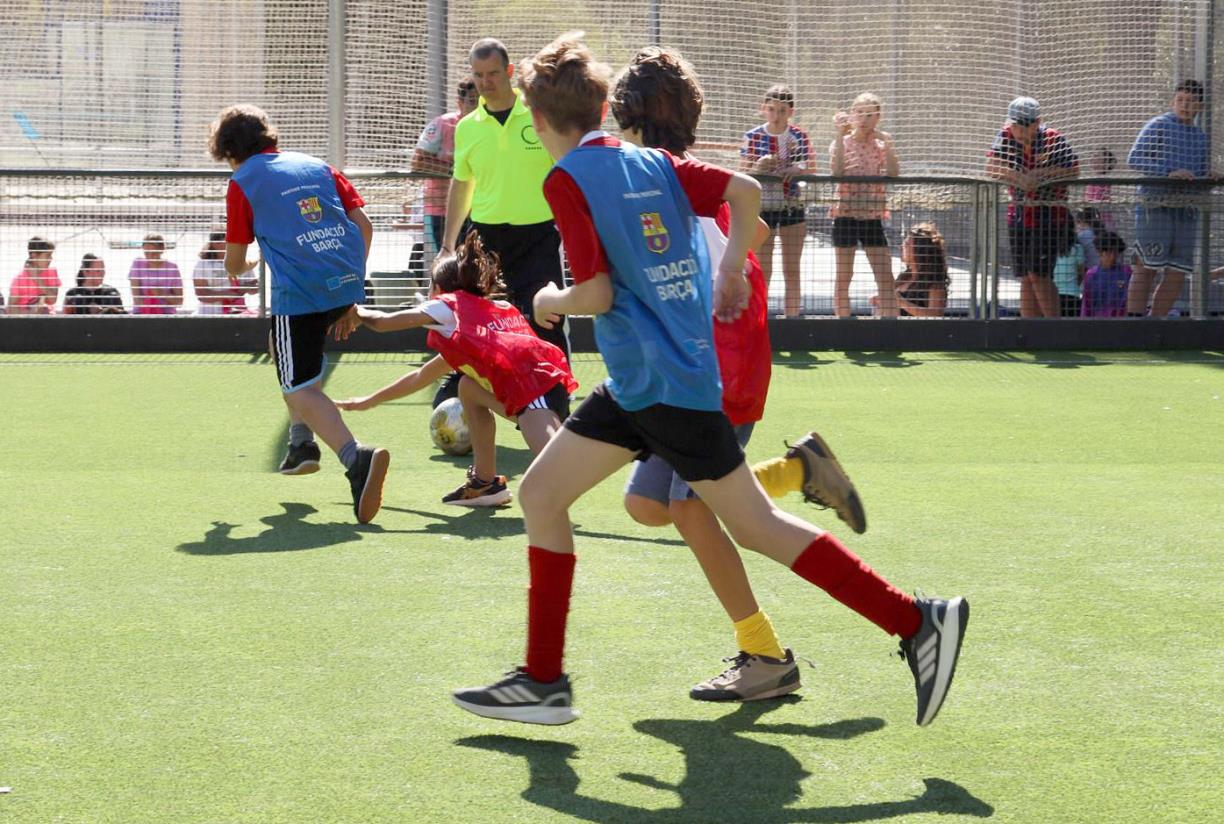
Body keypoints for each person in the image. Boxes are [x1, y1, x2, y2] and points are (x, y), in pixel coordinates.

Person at [451, 33, 968, 728]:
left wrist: (548, 301)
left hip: (664, 390)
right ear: (602, 108)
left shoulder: (565, 179)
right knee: (543, 493)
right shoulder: (655, 162)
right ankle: (542, 679)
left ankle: (914, 620)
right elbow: (747, 190)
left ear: (540, 122)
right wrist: (728, 270)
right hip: (644, 385)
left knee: (752, 524)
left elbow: (598, 293)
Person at [610, 47, 866, 702]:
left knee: (688, 507)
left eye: (619, 122)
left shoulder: (672, 189)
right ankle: (798, 473)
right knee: (649, 504)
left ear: (635, 122)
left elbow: (714, 270)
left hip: (713, 376)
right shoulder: (688, 184)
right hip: (709, 369)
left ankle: (763, 653)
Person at [209, 103, 390, 523]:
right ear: (270, 137)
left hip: (299, 297)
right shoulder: (318, 166)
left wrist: (251, 264)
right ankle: (300, 442)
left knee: (297, 387)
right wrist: (351, 293)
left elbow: (234, 264)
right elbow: (364, 226)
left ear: (228, 152)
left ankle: (355, 458)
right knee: (283, 349)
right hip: (344, 284)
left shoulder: (243, 182)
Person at [340, 229, 577, 507]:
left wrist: (353, 309)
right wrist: (369, 400)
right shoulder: (482, 316)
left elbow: (382, 322)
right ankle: (484, 484)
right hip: (543, 394)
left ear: (439, 290)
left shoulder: (446, 307)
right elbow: (420, 376)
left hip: (537, 396)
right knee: (468, 387)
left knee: (562, 474)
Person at [442, 38, 570, 359]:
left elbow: (567, 174)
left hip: (538, 238)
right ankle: (478, 400)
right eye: (479, 75)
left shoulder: (540, 117)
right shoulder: (466, 128)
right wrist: (447, 245)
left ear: (510, 71)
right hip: (485, 240)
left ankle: (556, 402)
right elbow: (462, 185)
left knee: (547, 324)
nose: (485, 82)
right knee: (485, 328)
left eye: (493, 74)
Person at [985, 97, 1079, 318]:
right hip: (1018, 214)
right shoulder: (1006, 135)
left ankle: (1053, 329)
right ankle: (1029, 330)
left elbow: (1074, 170)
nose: (1017, 129)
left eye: (1023, 124)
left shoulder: (1053, 139)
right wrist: (1018, 176)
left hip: (1049, 216)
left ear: (1037, 123)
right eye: (1014, 124)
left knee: (1039, 274)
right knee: (1026, 277)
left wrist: (1042, 174)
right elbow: (991, 166)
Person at [1126, 80, 1210, 318]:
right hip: (1156, 206)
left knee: (1177, 271)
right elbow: (1134, 159)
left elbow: (1200, 171)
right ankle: (1134, 325)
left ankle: (1157, 325)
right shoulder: (1158, 125)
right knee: (1146, 267)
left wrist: (1208, 176)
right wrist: (1168, 171)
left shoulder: (1200, 137)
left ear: (1200, 107)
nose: (1185, 105)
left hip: (1186, 211)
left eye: (1191, 101)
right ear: (1173, 101)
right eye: (1181, 100)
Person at [740, 85, 813, 318]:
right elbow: (741, 173)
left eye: (782, 110)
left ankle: (793, 320)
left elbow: (810, 167)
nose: (776, 115)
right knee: (763, 268)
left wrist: (796, 168)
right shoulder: (753, 136)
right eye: (771, 109)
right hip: (762, 208)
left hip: (792, 205)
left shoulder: (799, 136)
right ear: (763, 109)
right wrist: (759, 167)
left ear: (790, 112)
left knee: (792, 269)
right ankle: (761, 320)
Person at [830, 92, 900, 318]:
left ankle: (891, 327)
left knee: (884, 275)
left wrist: (888, 142)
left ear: (877, 117)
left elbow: (893, 172)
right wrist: (840, 137)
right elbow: (838, 172)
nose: (863, 119)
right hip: (846, 214)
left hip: (872, 216)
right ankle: (843, 327)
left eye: (869, 115)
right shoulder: (841, 142)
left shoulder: (880, 144)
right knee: (843, 275)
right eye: (859, 113)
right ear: (852, 115)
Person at [412, 78, 480, 258]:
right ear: (460, 102)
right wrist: (456, 170)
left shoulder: (488, 125)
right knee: (450, 265)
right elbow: (418, 162)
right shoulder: (443, 124)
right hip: (442, 210)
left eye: (481, 100)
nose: (477, 106)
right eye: (472, 100)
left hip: (482, 209)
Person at [876, 222, 949, 318]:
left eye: (906, 245)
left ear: (920, 251)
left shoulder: (934, 283)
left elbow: (935, 314)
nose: (900, 247)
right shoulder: (904, 277)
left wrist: (902, 303)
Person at [194, 231, 259, 315]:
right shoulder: (203, 264)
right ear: (215, 244)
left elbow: (255, 287)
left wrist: (244, 288)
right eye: (229, 240)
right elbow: (201, 294)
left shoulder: (242, 261)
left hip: (239, 312)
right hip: (211, 314)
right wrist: (226, 294)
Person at [128, 233, 183, 315]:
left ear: (162, 249)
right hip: (141, 313)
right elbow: (136, 297)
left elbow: (179, 301)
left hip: (166, 314)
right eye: (146, 253)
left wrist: (162, 294)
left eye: (154, 253)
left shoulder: (172, 268)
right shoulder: (137, 264)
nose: (150, 257)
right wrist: (149, 308)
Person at [1081, 231, 1132, 318]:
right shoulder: (1091, 275)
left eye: (1115, 253)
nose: (1112, 257)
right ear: (1100, 252)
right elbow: (1086, 305)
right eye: (1108, 253)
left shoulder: (1127, 272)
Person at [7, 236, 60, 315]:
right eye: (47, 256)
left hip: (48, 318)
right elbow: (10, 308)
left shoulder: (52, 272)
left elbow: (53, 300)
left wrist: (37, 279)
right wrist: (30, 314)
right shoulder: (19, 279)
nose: (51, 259)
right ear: (34, 255)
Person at [1051, 223, 1085, 317]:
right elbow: (1081, 273)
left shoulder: (1051, 249)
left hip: (1052, 295)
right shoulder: (1077, 249)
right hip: (1072, 295)